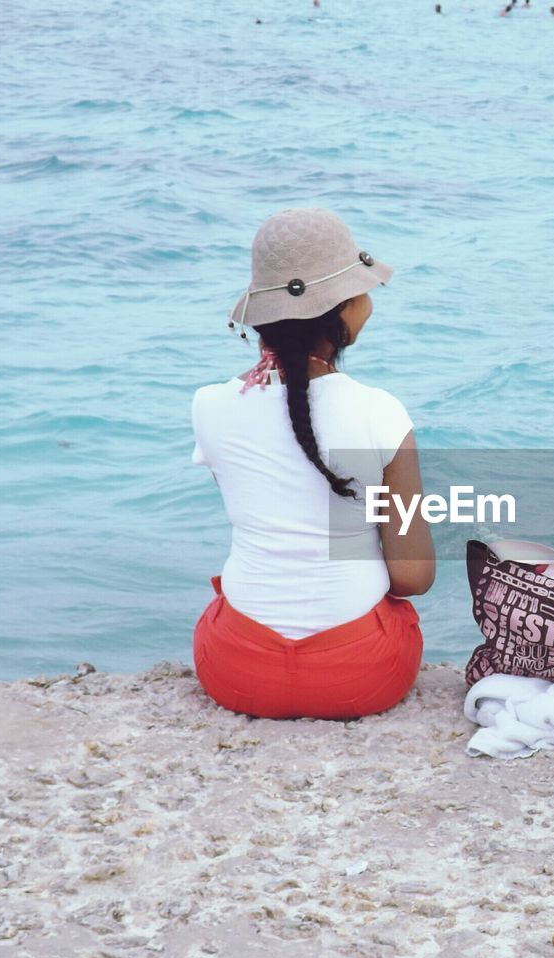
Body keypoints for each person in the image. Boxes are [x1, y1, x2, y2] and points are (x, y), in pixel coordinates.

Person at [192, 208, 433, 720]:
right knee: (397, 611)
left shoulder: (209, 406)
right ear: (342, 312)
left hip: (236, 671)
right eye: (362, 290)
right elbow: (412, 576)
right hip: (360, 675)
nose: (370, 300)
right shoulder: (381, 412)